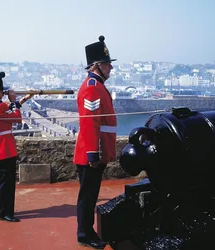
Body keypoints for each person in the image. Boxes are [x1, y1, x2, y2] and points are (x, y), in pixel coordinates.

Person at [73, 35, 117, 249]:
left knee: (91, 195)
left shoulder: (96, 85)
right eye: (108, 64)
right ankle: (84, 233)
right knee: (88, 196)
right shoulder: (92, 86)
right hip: (92, 153)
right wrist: (93, 154)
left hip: (97, 151)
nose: (110, 68)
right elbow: (91, 124)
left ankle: (87, 231)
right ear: (98, 65)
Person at [0, 73, 34, 222]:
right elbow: (17, 117)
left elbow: (12, 109)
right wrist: (13, 100)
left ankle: (0, 210)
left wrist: (25, 98)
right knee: (6, 182)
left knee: (1, 182)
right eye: (1, 91)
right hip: (3, 148)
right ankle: (5, 212)